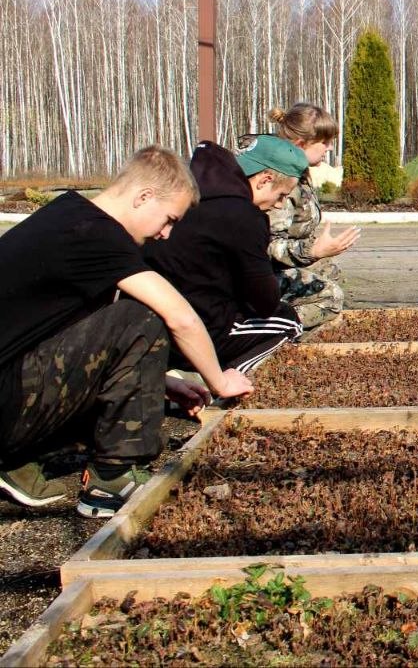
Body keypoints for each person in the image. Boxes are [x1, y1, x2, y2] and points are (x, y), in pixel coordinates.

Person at [0, 146, 254, 518]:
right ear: (143, 197)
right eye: (168, 219)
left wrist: (161, 380)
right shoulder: (99, 237)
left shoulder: (69, 215)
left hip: (11, 388)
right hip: (7, 404)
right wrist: (219, 381)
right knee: (142, 317)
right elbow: (179, 316)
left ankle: (20, 458)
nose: (166, 234)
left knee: (125, 319)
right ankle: (112, 480)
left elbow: (71, 338)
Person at [146, 136, 309, 374]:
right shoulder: (243, 216)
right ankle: (227, 381)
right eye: (282, 195)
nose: (278, 205)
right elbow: (264, 302)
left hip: (152, 329)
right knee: (289, 321)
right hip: (201, 332)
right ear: (265, 179)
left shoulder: (183, 194)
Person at [262, 103, 360, 329]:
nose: (329, 148)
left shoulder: (299, 173)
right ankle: (270, 334)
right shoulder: (281, 181)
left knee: (329, 270)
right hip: (260, 273)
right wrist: (313, 251)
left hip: (281, 264)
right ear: (300, 144)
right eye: (324, 142)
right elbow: (267, 245)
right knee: (330, 296)